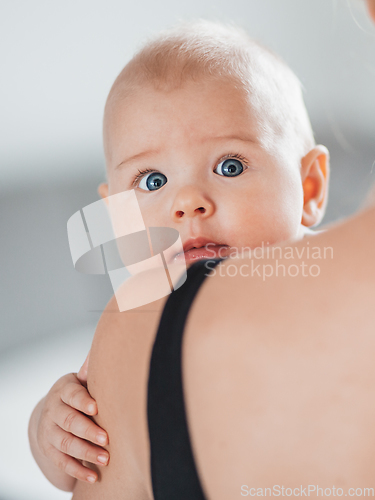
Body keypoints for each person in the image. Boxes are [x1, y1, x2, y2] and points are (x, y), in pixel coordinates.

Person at [29, 16, 332, 495]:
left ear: (309, 187)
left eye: (229, 166)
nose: (187, 202)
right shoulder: (135, 319)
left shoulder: (337, 284)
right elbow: (80, 472)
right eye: (152, 181)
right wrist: (51, 429)